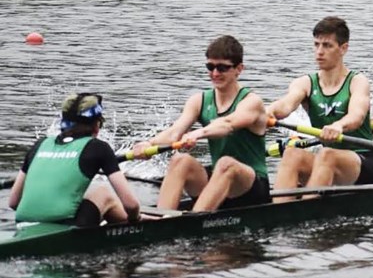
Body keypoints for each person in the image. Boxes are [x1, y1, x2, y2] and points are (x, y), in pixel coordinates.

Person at [131, 35, 270, 211]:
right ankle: (161, 220)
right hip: (218, 180)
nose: (215, 73)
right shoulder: (199, 101)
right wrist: (148, 144)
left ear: (239, 69)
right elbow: (175, 132)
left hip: (251, 187)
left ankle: (195, 221)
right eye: (210, 67)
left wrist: (198, 133)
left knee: (226, 163)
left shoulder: (252, 102)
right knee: (180, 160)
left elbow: (228, 124)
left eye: (222, 68)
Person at [267, 17, 373, 202]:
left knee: (326, 154)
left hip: (363, 161)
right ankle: (278, 213)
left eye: (327, 46)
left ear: (343, 48)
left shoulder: (357, 82)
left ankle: (307, 212)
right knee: (291, 154)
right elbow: (285, 105)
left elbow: (357, 116)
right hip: (328, 161)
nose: (319, 52)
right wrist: (268, 113)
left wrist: (339, 125)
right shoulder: (305, 83)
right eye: (316, 45)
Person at [10, 93, 141, 227]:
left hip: (23, 222)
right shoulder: (98, 147)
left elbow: (13, 202)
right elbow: (131, 205)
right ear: (96, 125)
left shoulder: (40, 145)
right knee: (103, 192)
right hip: (68, 227)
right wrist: (135, 220)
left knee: (79, 196)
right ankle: (142, 222)